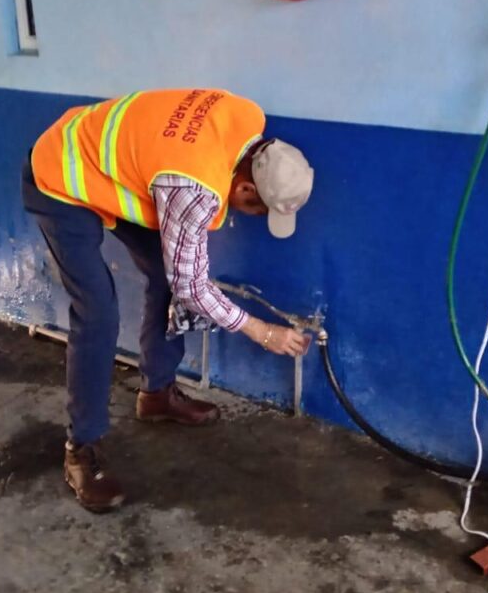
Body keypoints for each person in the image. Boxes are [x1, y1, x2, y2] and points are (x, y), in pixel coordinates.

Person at [21, 88, 314, 512]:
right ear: (246, 186)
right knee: (97, 312)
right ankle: (81, 449)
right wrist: (261, 331)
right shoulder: (192, 188)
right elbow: (191, 287)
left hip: (114, 169)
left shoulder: (247, 117)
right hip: (61, 172)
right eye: (258, 209)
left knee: (165, 273)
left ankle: (156, 393)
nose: (253, 217)